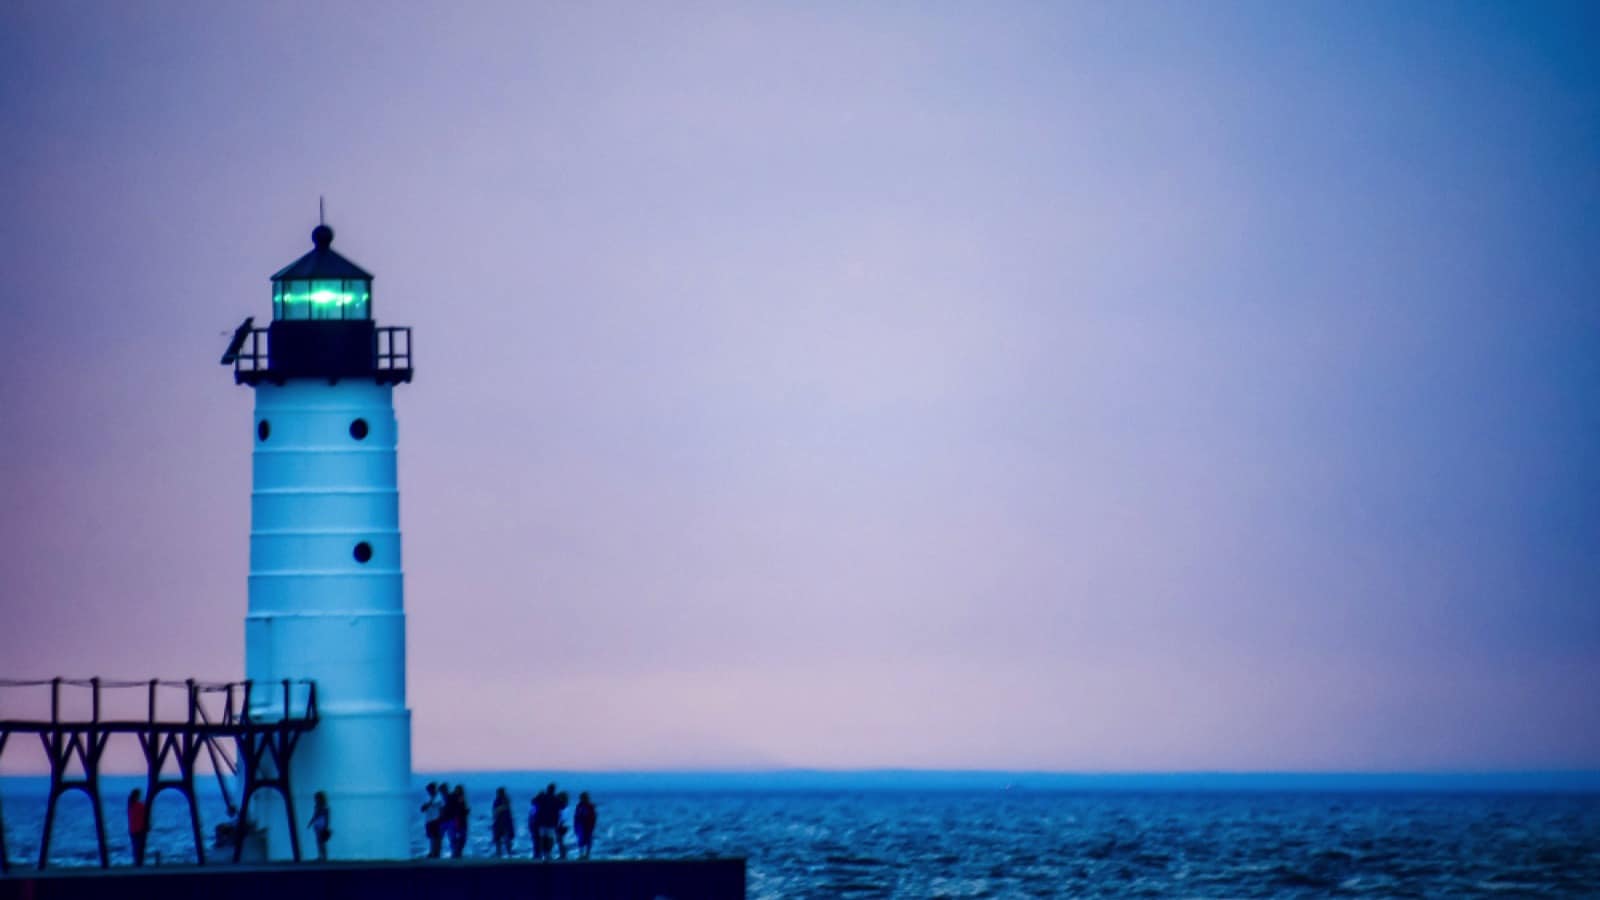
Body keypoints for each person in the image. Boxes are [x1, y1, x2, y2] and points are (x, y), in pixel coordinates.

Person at [127, 789, 150, 866]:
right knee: (140, 848)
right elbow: (145, 816)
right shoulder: (140, 806)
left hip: (133, 829)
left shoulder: (130, 806)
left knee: (135, 847)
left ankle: (137, 863)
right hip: (140, 829)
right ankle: (139, 863)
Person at [421, 782, 444, 859]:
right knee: (431, 837)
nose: (429, 792)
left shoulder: (438, 798)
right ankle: (432, 852)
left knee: (435, 837)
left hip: (435, 820)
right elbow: (423, 808)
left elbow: (439, 807)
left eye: (430, 790)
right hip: (429, 820)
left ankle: (435, 853)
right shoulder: (428, 798)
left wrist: (440, 818)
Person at [308, 791, 331, 861]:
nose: (315, 800)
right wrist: (311, 823)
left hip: (321, 825)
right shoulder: (318, 806)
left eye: (316, 798)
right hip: (317, 825)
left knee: (321, 841)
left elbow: (326, 817)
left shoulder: (324, 807)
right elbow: (315, 815)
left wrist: (326, 826)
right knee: (319, 841)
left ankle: (324, 857)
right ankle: (321, 856)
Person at [491, 787, 514, 857]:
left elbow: (498, 811)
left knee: (506, 839)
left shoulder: (505, 800)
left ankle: (508, 854)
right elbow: (495, 811)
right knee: (499, 840)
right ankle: (500, 854)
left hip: (504, 822)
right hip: (500, 822)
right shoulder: (498, 801)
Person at [573, 792, 597, 859]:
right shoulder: (579, 806)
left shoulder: (590, 806)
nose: (583, 799)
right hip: (580, 825)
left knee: (588, 840)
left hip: (588, 826)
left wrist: (593, 826)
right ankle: (581, 854)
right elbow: (576, 816)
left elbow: (594, 817)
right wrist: (575, 826)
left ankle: (587, 855)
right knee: (581, 840)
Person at [449, 785, 470, 858]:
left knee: (461, 838)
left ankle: (457, 853)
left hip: (461, 821)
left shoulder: (461, 799)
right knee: (459, 838)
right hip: (458, 821)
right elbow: (458, 811)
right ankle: (456, 853)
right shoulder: (456, 799)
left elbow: (463, 810)